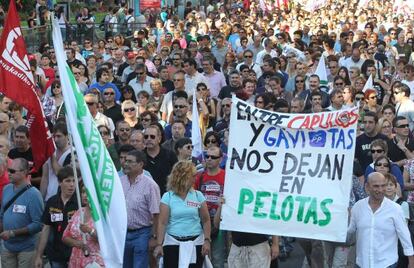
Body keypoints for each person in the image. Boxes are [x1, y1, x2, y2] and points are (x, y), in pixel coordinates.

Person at [348, 172, 414, 268]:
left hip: (387, 263)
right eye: (376, 186)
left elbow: (404, 236)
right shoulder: (358, 207)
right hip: (362, 263)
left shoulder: (395, 209)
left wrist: (411, 261)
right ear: (367, 187)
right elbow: (350, 230)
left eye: (383, 185)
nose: (380, 189)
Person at [154, 160, 211, 268]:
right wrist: (159, 244)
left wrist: (207, 240)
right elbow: (162, 223)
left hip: (196, 243)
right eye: (193, 176)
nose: (196, 178)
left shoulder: (198, 195)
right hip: (172, 243)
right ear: (183, 177)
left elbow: (206, 220)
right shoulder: (168, 197)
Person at [0, 158, 44, 268]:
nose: (8, 173)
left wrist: (13, 233)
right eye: (8, 170)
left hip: (26, 249)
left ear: (24, 172)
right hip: (7, 247)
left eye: (12, 171)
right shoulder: (7, 189)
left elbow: (38, 224)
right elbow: (2, 215)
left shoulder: (34, 195)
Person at [121, 150, 160, 268]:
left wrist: (154, 238)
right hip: (123, 233)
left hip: (142, 233)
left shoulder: (150, 185)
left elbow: (156, 214)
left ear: (140, 164)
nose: (126, 163)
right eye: (125, 160)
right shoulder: (120, 182)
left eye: (130, 161)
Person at [34, 167, 78, 268]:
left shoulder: (80, 203)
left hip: (75, 254)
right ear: (59, 182)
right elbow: (45, 229)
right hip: (56, 254)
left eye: (74, 180)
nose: (72, 184)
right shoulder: (52, 202)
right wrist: (39, 256)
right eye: (67, 181)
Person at [194, 146, 226, 268]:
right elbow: (190, 199)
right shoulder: (198, 176)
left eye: (213, 157)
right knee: (200, 259)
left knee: (218, 259)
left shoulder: (226, 176)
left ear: (220, 159)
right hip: (200, 223)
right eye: (207, 156)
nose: (209, 159)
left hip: (220, 224)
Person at [62, 182, 104, 268]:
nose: (84, 195)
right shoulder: (78, 212)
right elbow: (65, 237)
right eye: (83, 192)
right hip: (76, 260)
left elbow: (107, 240)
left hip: (95, 262)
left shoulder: (101, 215)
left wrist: (90, 231)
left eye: (87, 193)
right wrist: (78, 244)